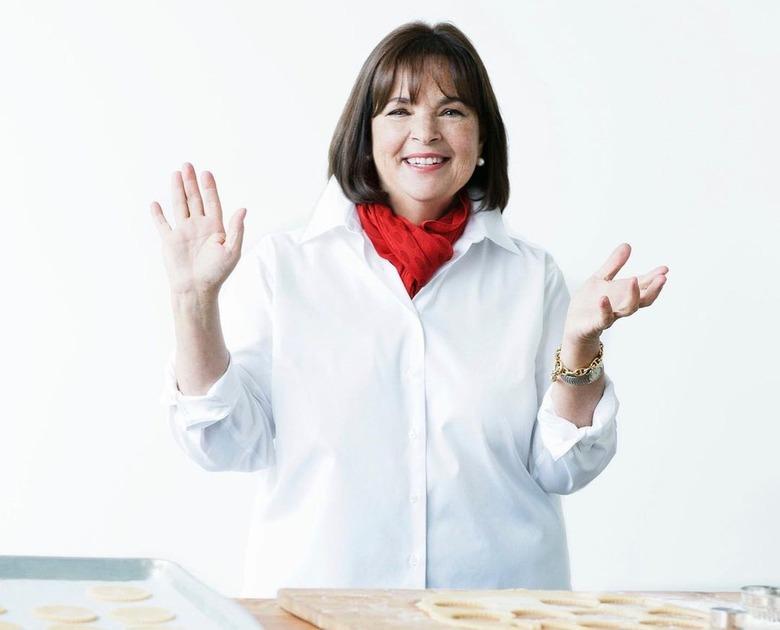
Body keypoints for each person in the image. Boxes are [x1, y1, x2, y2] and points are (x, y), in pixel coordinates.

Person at [151, 21, 668, 598]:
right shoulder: (288, 267)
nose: (425, 132)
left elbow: (562, 467)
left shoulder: (531, 277)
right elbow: (223, 442)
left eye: (452, 112)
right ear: (364, 136)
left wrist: (581, 349)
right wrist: (193, 303)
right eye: (398, 111)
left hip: (498, 610)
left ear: (481, 141)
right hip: (319, 611)